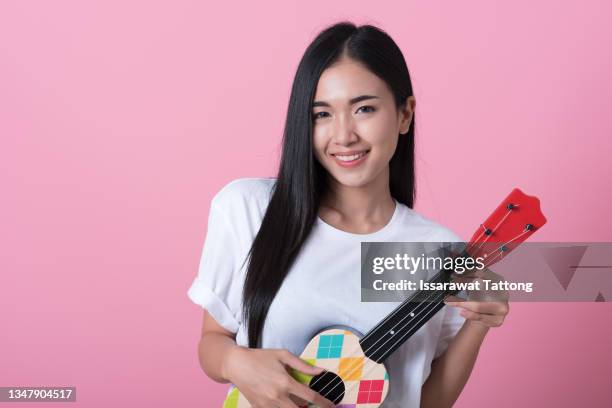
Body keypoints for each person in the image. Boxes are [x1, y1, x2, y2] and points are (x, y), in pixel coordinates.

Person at [187, 21, 509, 408]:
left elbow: (427, 402)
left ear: (405, 114)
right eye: (322, 114)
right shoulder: (247, 209)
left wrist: (479, 324)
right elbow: (212, 343)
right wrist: (239, 363)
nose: (343, 136)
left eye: (364, 109)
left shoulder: (441, 253)